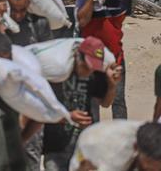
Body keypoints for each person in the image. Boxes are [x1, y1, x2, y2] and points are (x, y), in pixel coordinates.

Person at [41, 37, 121, 171]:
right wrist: (68, 116)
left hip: (84, 144)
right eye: (85, 67)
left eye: (92, 68)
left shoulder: (96, 73)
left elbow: (106, 103)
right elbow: (42, 107)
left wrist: (112, 86)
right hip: (56, 144)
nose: (88, 72)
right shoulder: (57, 70)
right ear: (78, 55)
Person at [76, 0, 131, 119]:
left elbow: (119, 24)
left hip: (115, 56)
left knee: (118, 100)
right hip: (91, 59)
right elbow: (82, 21)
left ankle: (122, 139)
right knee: (91, 101)